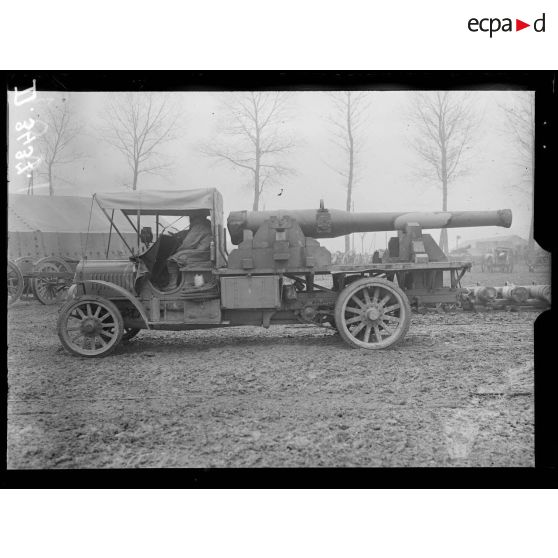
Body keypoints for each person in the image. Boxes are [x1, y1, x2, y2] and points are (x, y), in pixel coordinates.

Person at [164, 211, 212, 290]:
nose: (190, 217)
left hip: (201, 253)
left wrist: (177, 250)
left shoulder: (199, 225)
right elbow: (189, 234)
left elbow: (188, 244)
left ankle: (172, 285)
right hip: (205, 252)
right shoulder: (205, 224)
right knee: (178, 255)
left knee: (171, 260)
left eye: (191, 215)